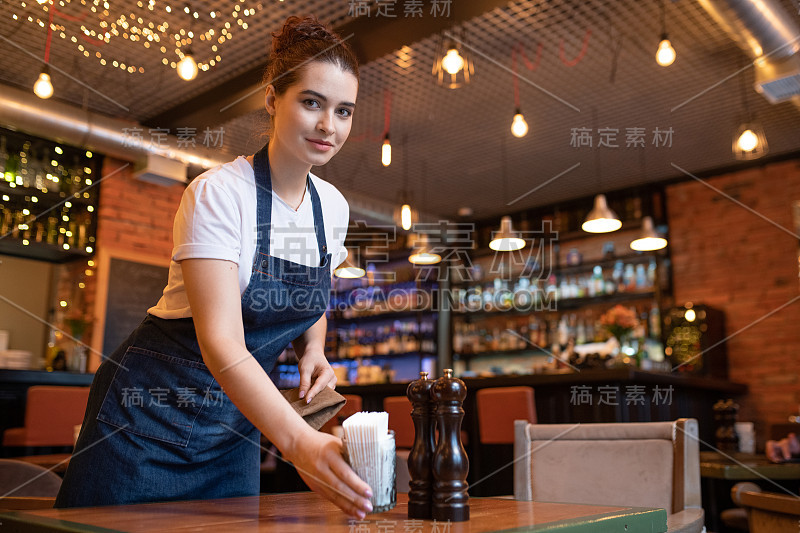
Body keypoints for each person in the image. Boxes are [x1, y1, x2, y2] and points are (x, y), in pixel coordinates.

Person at [55, 16, 373, 519]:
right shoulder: (219, 194)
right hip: (145, 421)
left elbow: (307, 297)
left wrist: (313, 347)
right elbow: (220, 340)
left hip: (234, 429)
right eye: (311, 102)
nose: (328, 126)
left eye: (344, 110)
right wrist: (299, 443)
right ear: (273, 98)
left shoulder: (331, 208)